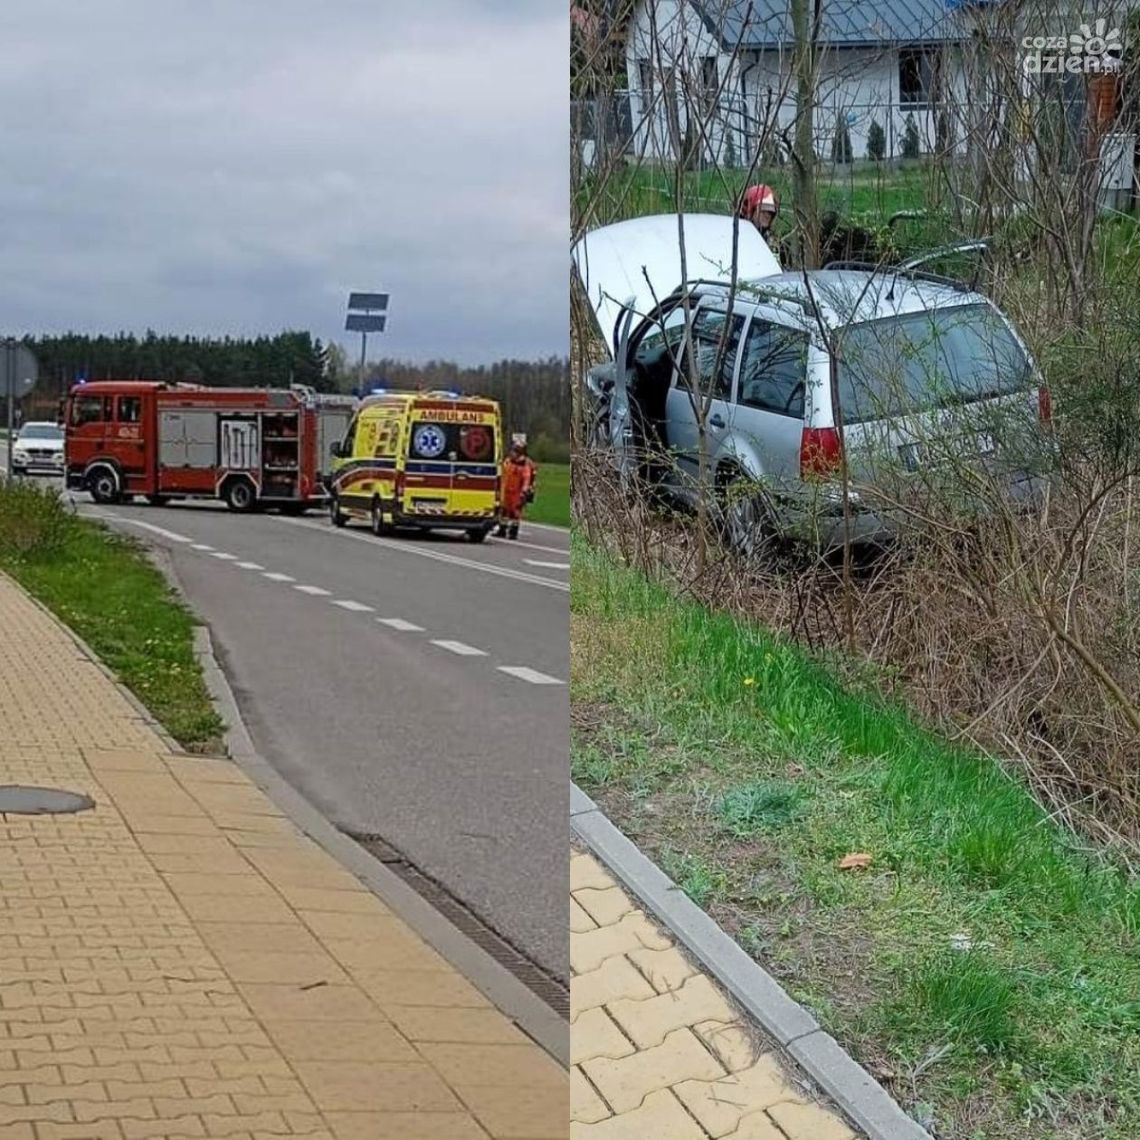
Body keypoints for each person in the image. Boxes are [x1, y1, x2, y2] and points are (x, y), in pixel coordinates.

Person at [498, 438, 537, 539]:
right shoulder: (509, 461)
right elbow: (503, 473)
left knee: (515, 512)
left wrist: (524, 491)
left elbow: (526, 479)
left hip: (517, 492)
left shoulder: (525, 465)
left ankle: (513, 532)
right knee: (504, 510)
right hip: (507, 491)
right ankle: (502, 529)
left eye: (515, 450)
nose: (512, 452)